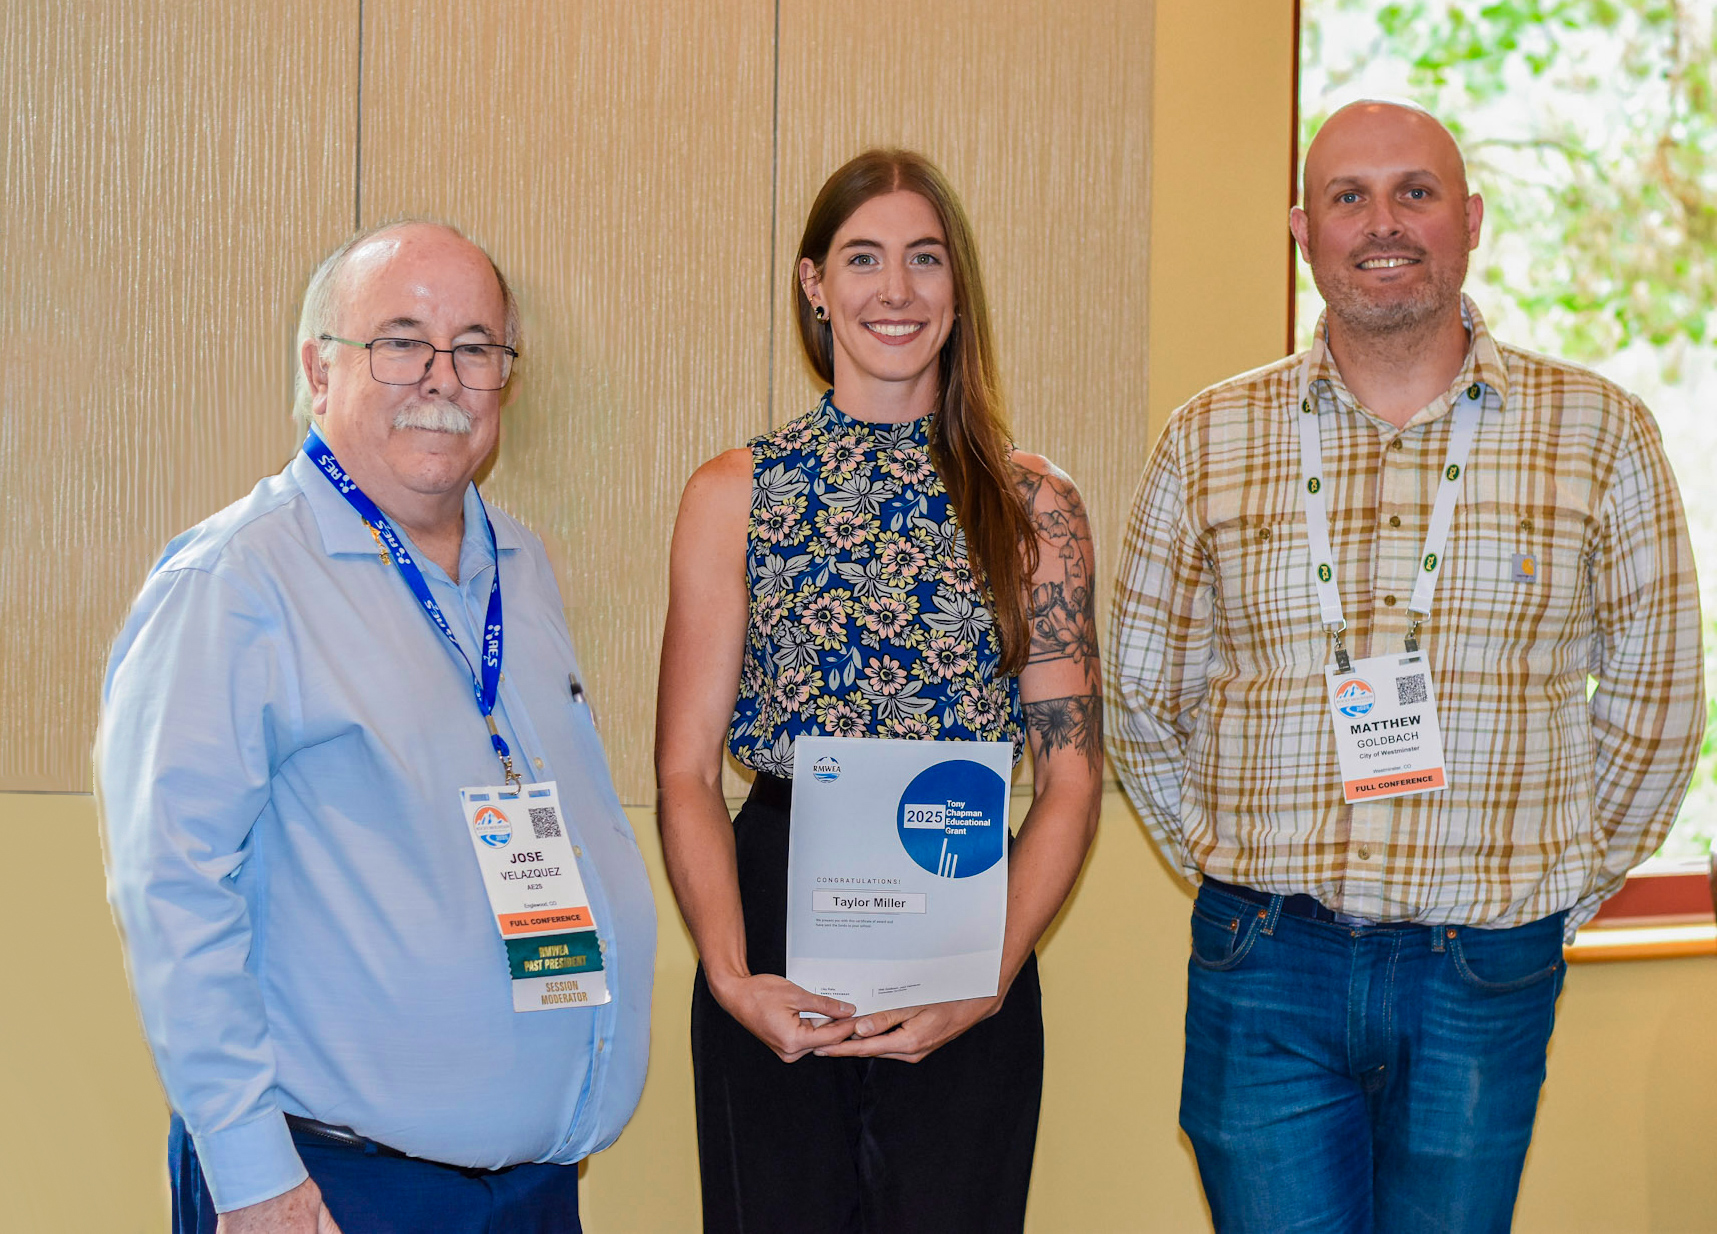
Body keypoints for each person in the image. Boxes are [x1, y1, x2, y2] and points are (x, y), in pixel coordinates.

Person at [1108, 99, 1706, 1233]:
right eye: (1349, 196)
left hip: (1482, 971)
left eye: (1414, 192)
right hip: (1265, 962)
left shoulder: (1600, 432)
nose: (1382, 222)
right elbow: (1143, 690)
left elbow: (1659, 701)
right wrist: (1228, 859)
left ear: (1469, 218)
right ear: (1302, 228)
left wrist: (1552, 889)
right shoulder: (1207, 438)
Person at [98, 221, 655, 1234]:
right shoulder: (237, 583)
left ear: (505, 383)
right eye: (399, 340)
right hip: (331, 1193)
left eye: (475, 346)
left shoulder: (519, 568)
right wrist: (252, 1173)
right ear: (320, 369)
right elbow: (173, 890)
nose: (440, 375)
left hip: (527, 1190)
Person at [655, 148, 1103, 1233]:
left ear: (958, 288)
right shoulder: (735, 493)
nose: (894, 291)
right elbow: (681, 769)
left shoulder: (1034, 503)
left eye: (923, 260)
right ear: (815, 284)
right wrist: (730, 975)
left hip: (963, 913)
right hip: (773, 925)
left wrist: (989, 977)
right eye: (862, 259)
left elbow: (1073, 776)